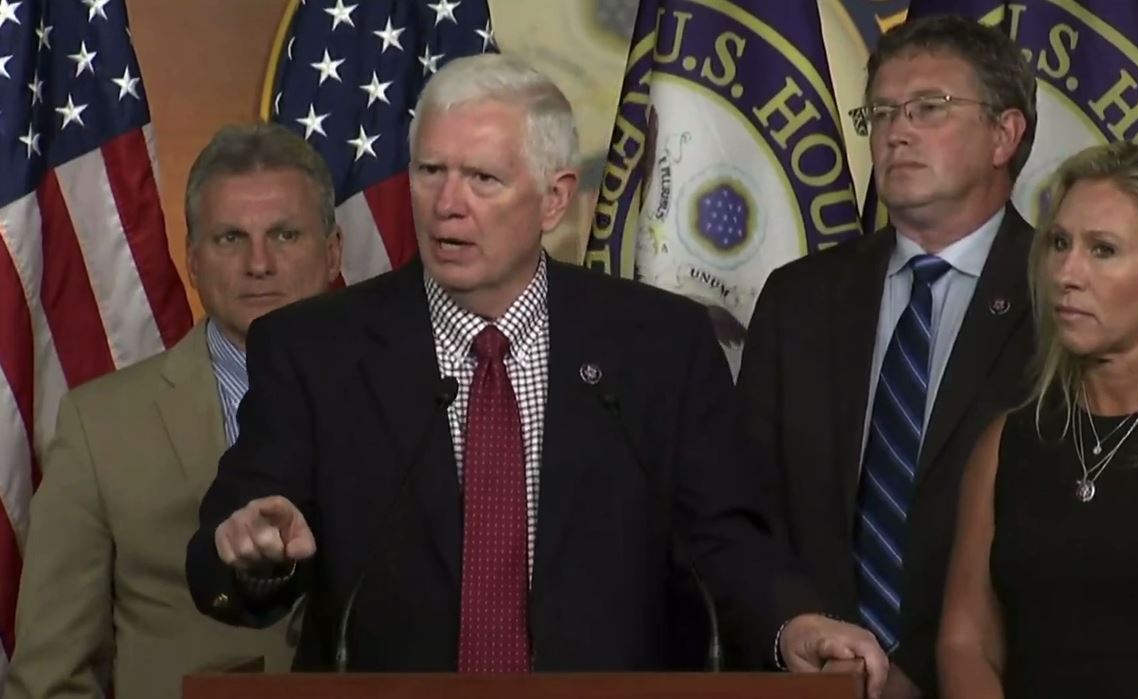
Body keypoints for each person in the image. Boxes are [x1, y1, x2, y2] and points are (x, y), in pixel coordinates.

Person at [184, 54, 888, 693]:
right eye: (430, 172)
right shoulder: (315, 349)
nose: (447, 203)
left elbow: (721, 540)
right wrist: (253, 553)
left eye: (482, 178)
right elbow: (230, 550)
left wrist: (792, 624)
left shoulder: (657, 344)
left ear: (554, 198)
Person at [736, 15, 1037, 699]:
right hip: (820, 681)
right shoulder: (799, 298)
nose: (896, 132)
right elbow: (744, 508)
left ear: (1004, 134)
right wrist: (807, 633)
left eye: (929, 107)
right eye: (881, 112)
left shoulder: (1062, 299)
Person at [4, 123, 343, 699]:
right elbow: (51, 680)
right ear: (192, 261)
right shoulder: (100, 426)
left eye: (285, 235)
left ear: (333, 251)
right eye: (230, 238)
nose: (259, 263)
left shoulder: (414, 393)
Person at [938, 141, 1138, 699]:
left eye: (1103, 250)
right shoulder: (1006, 442)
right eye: (1059, 243)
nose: (1066, 272)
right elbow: (965, 642)